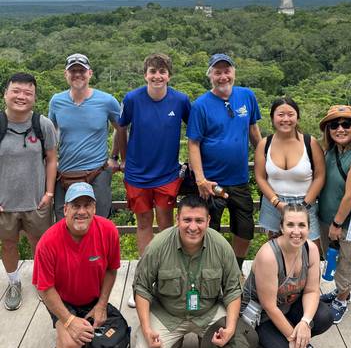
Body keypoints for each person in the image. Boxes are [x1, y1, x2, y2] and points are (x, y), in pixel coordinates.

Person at [133, 194, 262, 348]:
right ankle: (175, 346)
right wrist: (146, 328)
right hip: (167, 314)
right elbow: (142, 287)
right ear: (177, 219)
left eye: (199, 221)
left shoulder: (221, 246)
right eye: (187, 220)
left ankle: (206, 344)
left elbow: (233, 290)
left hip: (208, 312)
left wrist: (229, 328)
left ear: (208, 221)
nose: (193, 227)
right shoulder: (158, 246)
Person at [187, 53, 262, 272]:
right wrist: (200, 179)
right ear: (210, 75)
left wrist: (267, 160)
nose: (223, 77)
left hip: (239, 179)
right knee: (210, 229)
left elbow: (254, 132)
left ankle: (236, 269)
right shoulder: (200, 105)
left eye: (226, 71)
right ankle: (212, 271)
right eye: (217, 72)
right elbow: (193, 144)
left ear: (234, 72)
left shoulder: (247, 96)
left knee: (245, 228)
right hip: (212, 182)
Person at [32, 182, 121, 348]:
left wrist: (102, 305)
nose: (81, 211)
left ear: (94, 208)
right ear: (65, 209)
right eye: (75, 205)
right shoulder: (47, 242)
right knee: (71, 344)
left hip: (93, 298)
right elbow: (44, 288)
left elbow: (111, 269)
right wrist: (69, 320)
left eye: (87, 205)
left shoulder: (109, 230)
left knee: (109, 339)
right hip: (62, 300)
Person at [117, 53, 190, 256]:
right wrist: (123, 159)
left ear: (169, 76)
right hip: (137, 173)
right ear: (145, 75)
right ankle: (146, 267)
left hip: (167, 173)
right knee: (143, 223)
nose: (157, 76)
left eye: (162, 71)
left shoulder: (181, 100)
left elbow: (194, 131)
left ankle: (167, 266)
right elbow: (121, 128)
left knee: (166, 223)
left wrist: (193, 162)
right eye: (152, 71)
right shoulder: (132, 99)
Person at [242, 204, 333, 348]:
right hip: (262, 315)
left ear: (309, 229)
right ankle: (266, 345)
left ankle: (299, 335)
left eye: (302, 225)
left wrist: (305, 322)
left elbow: (312, 290)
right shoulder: (269, 255)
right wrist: (293, 338)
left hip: (288, 306)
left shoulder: (311, 250)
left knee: (324, 316)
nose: (296, 231)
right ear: (282, 228)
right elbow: (269, 306)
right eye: (290, 225)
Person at [0, 72, 57, 311]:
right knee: (8, 244)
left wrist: (49, 193)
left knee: (40, 245)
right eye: (16, 91)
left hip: (37, 202)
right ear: (5, 94)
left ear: (34, 97)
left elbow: (52, 159)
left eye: (28, 93)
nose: (21, 97)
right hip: (5, 203)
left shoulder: (42, 124)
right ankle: (14, 283)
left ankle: (43, 283)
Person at [49, 53, 122, 220]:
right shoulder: (56, 101)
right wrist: (53, 161)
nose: (77, 74)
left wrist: (114, 157)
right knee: (64, 222)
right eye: (72, 70)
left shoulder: (107, 101)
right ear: (65, 74)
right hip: (65, 174)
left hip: (97, 172)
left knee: (99, 221)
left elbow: (121, 129)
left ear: (90, 73)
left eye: (81, 70)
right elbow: (50, 134)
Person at [318, 105, 351, 324]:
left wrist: (337, 223)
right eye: (334, 125)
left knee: (345, 259)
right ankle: (341, 290)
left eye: (346, 124)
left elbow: (350, 196)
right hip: (326, 217)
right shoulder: (331, 152)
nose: (340, 129)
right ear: (328, 130)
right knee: (333, 257)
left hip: (344, 221)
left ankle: (342, 298)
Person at [256, 97, 325, 245]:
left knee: (310, 247)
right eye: (280, 114)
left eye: (290, 114)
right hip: (274, 203)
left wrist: (304, 205)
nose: (286, 119)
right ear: (272, 118)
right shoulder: (264, 144)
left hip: (306, 202)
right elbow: (260, 177)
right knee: (276, 248)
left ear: (297, 117)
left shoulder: (310, 142)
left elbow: (320, 176)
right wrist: (277, 203)